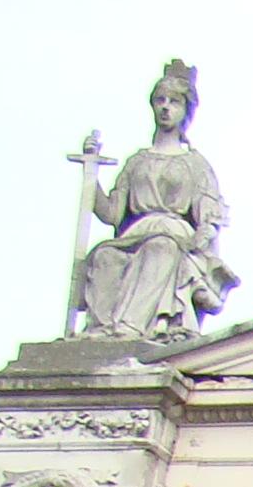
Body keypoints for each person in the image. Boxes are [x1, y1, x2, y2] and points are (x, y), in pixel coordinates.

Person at [76, 59, 239, 341]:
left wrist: (201, 241)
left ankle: (130, 329)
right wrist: (91, 176)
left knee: (160, 248)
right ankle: (101, 330)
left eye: (174, 102)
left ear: (185, 111)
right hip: (135, 235)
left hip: (174, 237)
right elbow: (113, 213)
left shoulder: (196, 165)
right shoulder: (137, 162)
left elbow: (209, 216)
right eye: (160, 100)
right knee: (105, 256)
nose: (165, 107)